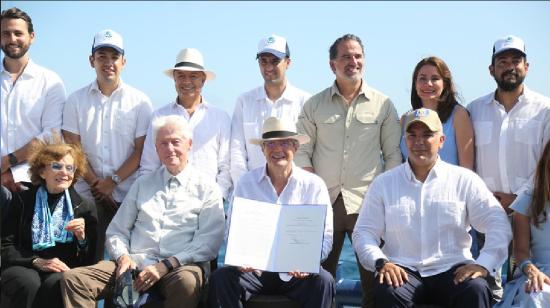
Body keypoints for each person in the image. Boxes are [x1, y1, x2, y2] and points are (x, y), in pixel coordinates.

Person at [352, 108, 512, 308]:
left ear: (442, 140)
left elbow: (498, 223)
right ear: (404, 140)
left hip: (452, 268)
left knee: (476, 289)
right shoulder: (383, 183)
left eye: (427, 135)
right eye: (412, 135)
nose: (419, 141)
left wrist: (484, 264)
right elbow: (364, 232)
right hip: (403, 270)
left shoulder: (464, 180)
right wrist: (381, 262)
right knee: (388, 290)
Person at [60, 115, 225, 308]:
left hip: (178, 267)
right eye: (163, 143)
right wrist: (123, 257)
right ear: (156, 149)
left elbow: (208, 243)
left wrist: (167, 265)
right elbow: (116, 231)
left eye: (175, 142)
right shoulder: (142, 184)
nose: (170, 149)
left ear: (189, 144)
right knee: (75, 279)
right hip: (133, 263)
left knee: (187, 282)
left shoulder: (207, 188)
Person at [295, 33, 402, 308]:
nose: (352, 61)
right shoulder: (314, 105)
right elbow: (303, 151)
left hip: (367, 205)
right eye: (345, 56)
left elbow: (392, 156)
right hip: (324, 205)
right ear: (332, 64)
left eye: (357, 56)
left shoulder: (384, 104)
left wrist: (384, 201)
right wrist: (312, 194)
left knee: (374, 283)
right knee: (317, 279)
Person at [209, 117, 334, 308]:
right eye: (271, 144)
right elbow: (232, 230)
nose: (277, 150)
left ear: (295, 147)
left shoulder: (314, 185)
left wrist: (308, 262)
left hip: (296, 272)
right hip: (255, 271)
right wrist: (240, 258)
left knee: (323, 281)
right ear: (262, 149)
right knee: (221, 278)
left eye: (284, 143)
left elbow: (326, 236)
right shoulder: (245, 183)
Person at [62, 29, 153, 260]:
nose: (108, 63)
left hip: (127, 195)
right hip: (86, 196)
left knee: (124, 264)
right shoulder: (75, 100)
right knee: (85, 261)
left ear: (124, 61)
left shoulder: (141, 101)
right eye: (102, 56)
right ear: (91, 60)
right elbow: (73, 148)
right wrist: (96, 184)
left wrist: (112, 182)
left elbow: (141, 149)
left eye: (114, 57)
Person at [0, 136, 97, 308]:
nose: (64, 172)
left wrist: (82, 239)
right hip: (26, 263)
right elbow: (6, 246)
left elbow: (88, 260)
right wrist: (37, 261)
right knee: (27, 283)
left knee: (57, 283)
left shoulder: (84, 207)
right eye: (57, 166)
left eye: (70, 168)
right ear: (42, 172)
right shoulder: (22, 201)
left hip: (63, 268)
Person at [467, 35, 550, 214]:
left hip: (533, 213)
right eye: (502, 62)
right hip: (485, 215)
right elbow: (468, 161)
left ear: (526, 67)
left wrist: (518, 200)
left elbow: (547, 164)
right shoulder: (474, 109)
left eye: (516, 61)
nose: (510, 67)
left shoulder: (545, 109)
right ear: (491, 70)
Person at [139, 48, 232, 200]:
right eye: (181, 76)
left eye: (193, 76)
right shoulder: (159, 116)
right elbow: (149, 165)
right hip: (167, 200)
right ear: (174, 79)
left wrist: (217, 199)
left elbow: (226, 167)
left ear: (203, 79)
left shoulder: (220, 117)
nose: (186, 81)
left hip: (208, 201)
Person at [230, 34, 310, 186]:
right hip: (253, 190)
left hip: (294, 191)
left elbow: (308, 152)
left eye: (275, 61)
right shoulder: (244, 101)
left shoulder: (305, 102)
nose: (268, 67)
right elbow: (237, 151)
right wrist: (246, 187)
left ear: (288, 62)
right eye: (263, 61)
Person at [1, 7, 66, 192]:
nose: (12, 39)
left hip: (34, 184)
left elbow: (51, 136)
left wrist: (9, 164)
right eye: (6, 33)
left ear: (32, 36)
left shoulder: (50, 82)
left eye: (18, 33)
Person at [497, 140, 550, 308]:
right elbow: (520, 252)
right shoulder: (528, 200)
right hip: (539, 273)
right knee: (537, 295)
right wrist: (532, 271)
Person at [400, 56, 474, 169]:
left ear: (445, 83)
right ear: (415, 83)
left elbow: (467, 168)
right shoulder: (405, 119)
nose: (428, 83)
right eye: (422, 78)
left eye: (435, 78)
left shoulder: (459, 115)